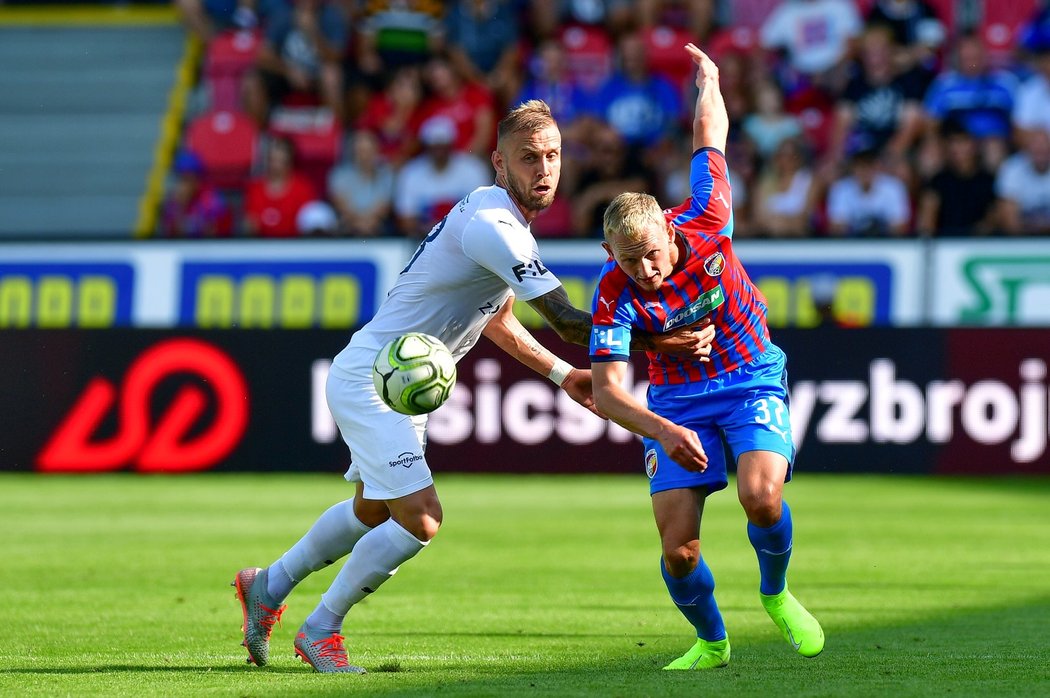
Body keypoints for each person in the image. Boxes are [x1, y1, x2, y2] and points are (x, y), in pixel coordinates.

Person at [231, 99, 716, 673]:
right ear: (498, 163)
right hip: (371, 376)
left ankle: (268, 586)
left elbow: (498, 320)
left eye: (553, 156)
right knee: (422, 517)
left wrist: (562, 375)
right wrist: (656, 342)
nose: (544, 169)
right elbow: (563, 318)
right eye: (528, 158)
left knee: (372, 510)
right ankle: (321, 630)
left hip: (395, 381)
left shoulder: (503, 223)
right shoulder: (496, 227)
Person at [588, 44, 824, 671]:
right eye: (625, 259)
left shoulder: (709, 217)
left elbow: (707, 134)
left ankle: (774, 593)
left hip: (748, 378)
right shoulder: (612, 291)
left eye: (649, 254)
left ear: (668, 230)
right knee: (679, 552)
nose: (642, 270)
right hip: (676, 403)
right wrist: (665, 430)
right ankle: (713, 642)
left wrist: (710, 80)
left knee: (760, 497)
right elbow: (608, 391)